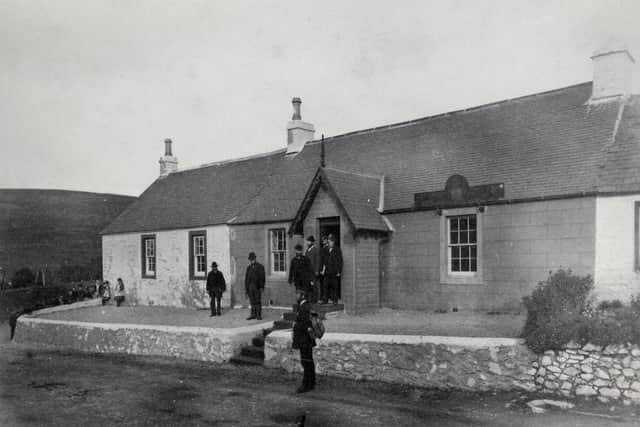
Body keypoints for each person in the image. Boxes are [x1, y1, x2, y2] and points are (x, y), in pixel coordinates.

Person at [292, 292, 316, 393]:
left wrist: (295, 325)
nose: (296, 296)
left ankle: (306, 384)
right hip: (307, 340)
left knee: (306, 362)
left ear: (302, 296)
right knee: (309, 361)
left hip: (304, 340)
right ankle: (312, 382)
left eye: (297, 294)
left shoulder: (303, 308)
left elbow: (304, 325)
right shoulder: (306, 306)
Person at [244, 252, 265, 320]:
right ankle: (253, 315)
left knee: (258, 301)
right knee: (252, 301)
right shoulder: (248, 268)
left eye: (253, 259)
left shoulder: (260, 267)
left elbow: (262, 278)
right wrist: (246, 290)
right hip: (250, 287)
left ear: (255, 259)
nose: (252, 260)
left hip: (257, 287)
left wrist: (261, 287)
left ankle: (258, 315)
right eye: (250, 259)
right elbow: (246, 279)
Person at [324, 234, 343, 305]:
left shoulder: (337, 250)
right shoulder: (326, 249)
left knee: (334, 286)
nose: (329, 243)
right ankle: (325, 299)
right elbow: (324, 260)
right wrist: (323, 269)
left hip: (334, 271)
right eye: (328, 241)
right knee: (325, 285)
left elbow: (340, 261)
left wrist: (339, 271)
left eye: (330, 241)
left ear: (333, 242)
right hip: (327, 271)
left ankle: (335, 300)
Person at [305, 236, 321, 303]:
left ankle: (315, 300)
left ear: (312, 242)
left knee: (314, 286)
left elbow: (317, 261)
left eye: (308, 241)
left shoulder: (315, 250)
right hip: (307, 272)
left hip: (313, 271)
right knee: (308, 286)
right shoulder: (307, 250)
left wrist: (317, 271)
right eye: (307, 241)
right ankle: (309, 300)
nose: (307, 243)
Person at [319, 235, 330, 304]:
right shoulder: (323, 248)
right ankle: (323, 298)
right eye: (322, 240)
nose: (323, 241)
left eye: (324, 240)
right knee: (322, 285)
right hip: (321, 268)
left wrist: (323, 269)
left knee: (325, 285)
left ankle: (325, 299)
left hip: (326, 269)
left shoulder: (328, 248)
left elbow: (326, 260)